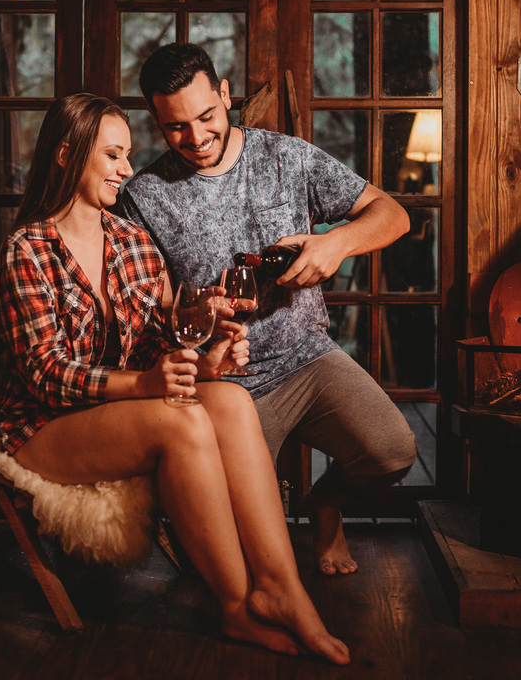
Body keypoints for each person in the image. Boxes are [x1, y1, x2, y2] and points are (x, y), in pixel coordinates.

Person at [0, 93, 349, 665]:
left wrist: (206, 363)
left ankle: (283, 589)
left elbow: (158, 342)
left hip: (118, 411)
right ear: (64, 155)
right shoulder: (26, 252)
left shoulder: (130, 242)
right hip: (44, 426)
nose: (128, 171)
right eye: (112, 156)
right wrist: (146, 387)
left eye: (128, 155)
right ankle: (234, 603)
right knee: (179, 423)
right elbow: (43, 374)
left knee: (228, 400)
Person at [116, 43, 417, 576]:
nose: (197, 138)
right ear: (156, 120)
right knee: (234, 557)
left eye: (207, 116)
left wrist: (335, 244)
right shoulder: (144, 196)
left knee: (392, 452)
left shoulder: (288, 156)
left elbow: (393, 215)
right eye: (176, 127)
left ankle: (325, 505)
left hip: (310, 358)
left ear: (225, 94)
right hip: (227, 385)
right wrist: (199, 315)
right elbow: (152, 318)